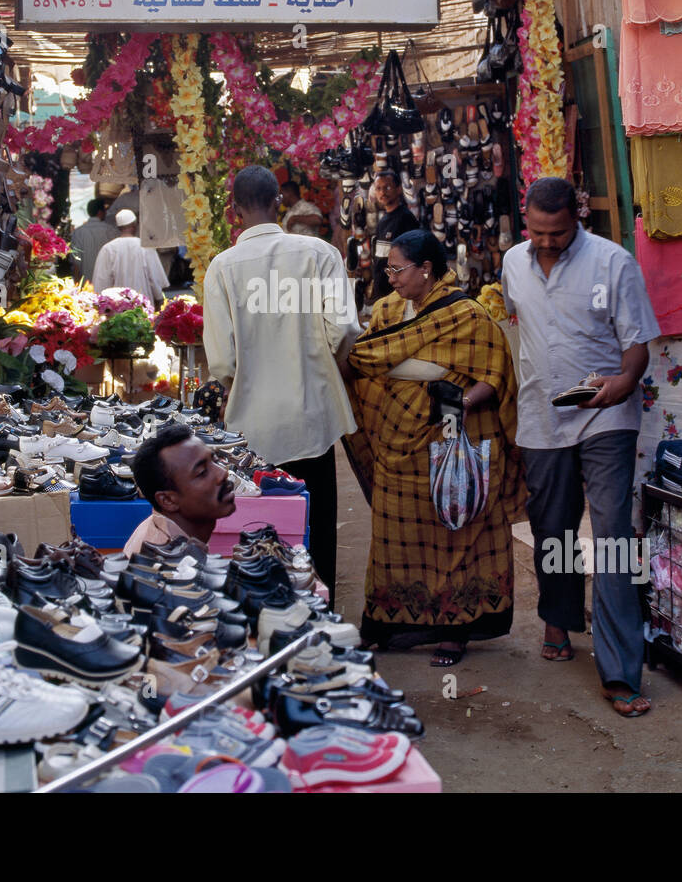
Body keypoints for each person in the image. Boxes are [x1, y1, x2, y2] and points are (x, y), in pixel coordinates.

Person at [500, 176, 661, 719]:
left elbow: (637, 345)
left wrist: (622, 382)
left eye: (559, 232)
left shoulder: (614, 263)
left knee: (611, 532)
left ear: (579, 216)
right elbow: (518, 329)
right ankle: (560, 617)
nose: (547, 242)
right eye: (539, 232)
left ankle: (619, 671)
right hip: (542, 413)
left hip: (606, 412)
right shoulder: (512, 263)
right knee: (552, 522)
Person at [342, 229, 520, 666]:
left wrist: (458, 401)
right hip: (395, 445)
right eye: (389, 269)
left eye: (398, 269)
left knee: (455, 531)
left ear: (426, 269)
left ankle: (454, 630)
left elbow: (494, 373)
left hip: (449, 442)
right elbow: (365, 361)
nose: (391, 277)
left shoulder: (468, 315)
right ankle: (388, 622)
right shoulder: (386, 310)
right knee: (393, 535)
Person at [202, 165, 360, 598]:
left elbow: (221, 359)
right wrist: (336, 365)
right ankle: (319, 608)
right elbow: (343, 330)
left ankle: (266, 609)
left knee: (259, 523)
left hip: (251, 425)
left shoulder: (222, 268)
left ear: (234, 211)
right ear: (279, 203)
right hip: (312, 415)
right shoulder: (320, 254)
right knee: (316, 519)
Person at [124, 423, 237, 556]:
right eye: (202, 472)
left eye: (216, 460)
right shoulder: (163, 564)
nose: (223, 473)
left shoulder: (179, 542)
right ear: (167, 500)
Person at [92, 208, 170, 307]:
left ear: (119, 227)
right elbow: (155, 279)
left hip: (117, 309)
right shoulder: (145, 246)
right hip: (143, 306)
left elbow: (101, 282)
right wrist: (159, 299)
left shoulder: (108, 249)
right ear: (134, 225)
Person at [369, 170, 419, 302]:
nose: (382, 192)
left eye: (387, 187)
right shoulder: (383, 220)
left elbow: (412, 260)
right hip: (382, 292)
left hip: (398, 294)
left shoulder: (406, 218)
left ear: (398, 189)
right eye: (378, 188)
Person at [70, 197, 118, 284]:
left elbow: (76, 262)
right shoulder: (111, 231)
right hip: (107, 283)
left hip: (86, 285)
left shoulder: (78, 232)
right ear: (100, 212)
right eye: (104, 211)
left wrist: (76, 286)